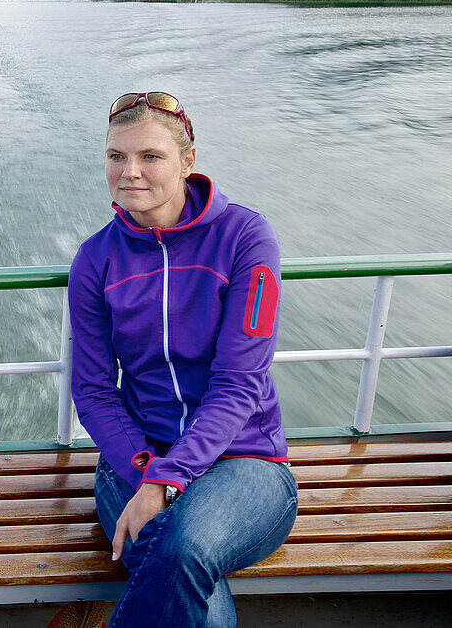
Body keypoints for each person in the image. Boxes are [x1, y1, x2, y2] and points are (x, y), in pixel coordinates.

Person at [66, 91, 298, 627]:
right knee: (179, 564)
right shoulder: (96, 259)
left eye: (150, 156)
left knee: (182, 545)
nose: (130, 172)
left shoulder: (245, 238)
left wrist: (168, 483)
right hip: (137, 457)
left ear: (187, 161)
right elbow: (96, 390)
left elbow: (240, 384)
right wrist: (150, 472)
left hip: (248, 463)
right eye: (116, 156)